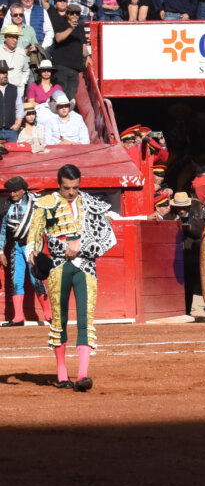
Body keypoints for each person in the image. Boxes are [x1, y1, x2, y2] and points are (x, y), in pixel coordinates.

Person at [25, 163, 116, 391]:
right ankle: (62, 373)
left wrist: (79, 243)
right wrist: (33, 255)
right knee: (59, 319)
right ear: (59, 185)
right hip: (58, 265)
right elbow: (34, 234)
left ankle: (83, 374)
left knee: (86, 319)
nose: (71, 192)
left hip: (85, 264)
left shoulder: (90, 203)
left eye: (75, 187)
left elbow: (105, 232)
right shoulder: (46, 203)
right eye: (67, 187)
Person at [0, 176, 50, 325]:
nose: (12, 194)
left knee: (37, 280)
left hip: (32, 245)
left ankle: (48, 314)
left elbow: (44, 223)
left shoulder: (35, 203)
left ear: (23, 190)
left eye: (15, 191)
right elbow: (3, 230)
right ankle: (18, 317)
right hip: (16, 246)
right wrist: (1, 251)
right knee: (16, 281)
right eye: (11, 191)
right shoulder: (7, 206)